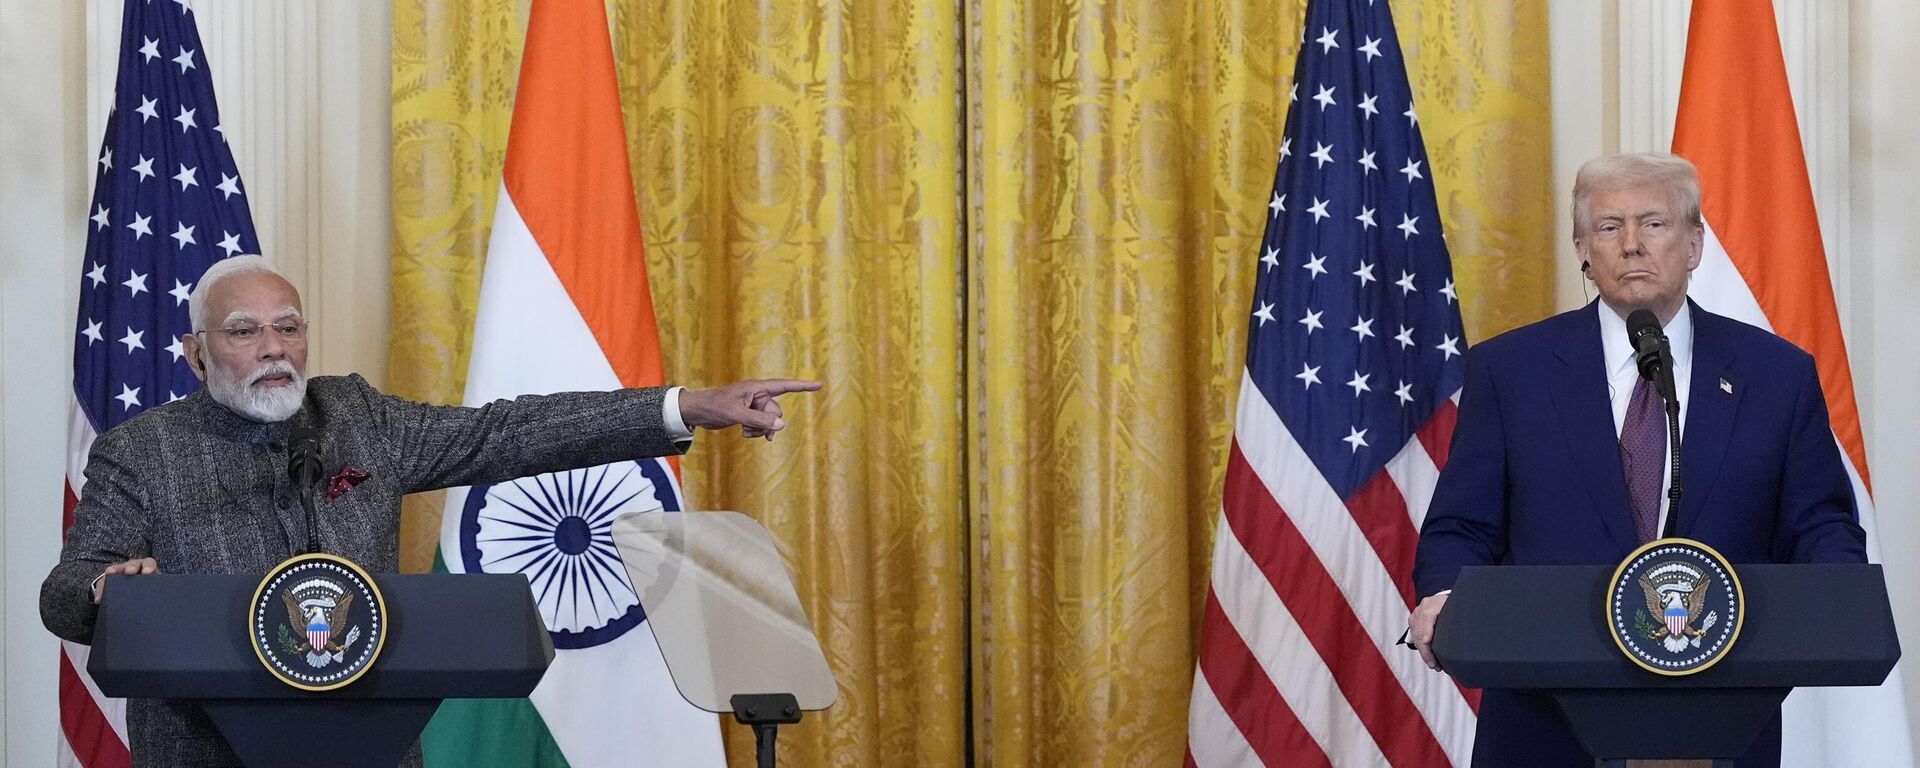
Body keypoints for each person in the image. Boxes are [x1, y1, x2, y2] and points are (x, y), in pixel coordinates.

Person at [40, 255, 820, 767]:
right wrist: (107, 590)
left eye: (288, 326)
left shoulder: (356, 418)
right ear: (197, 352)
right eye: (244, 332)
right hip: (206, 752)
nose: (273, 347)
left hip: (369, 746)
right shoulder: (143, 450)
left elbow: (509, 431)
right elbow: (65, 588)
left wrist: (685, 406)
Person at [1406, 153, 1865, 767]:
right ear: (1581, 250)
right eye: (1607, 226)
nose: (1630, 245)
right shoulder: (1510, 371)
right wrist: (1445, 596)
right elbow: (1462, 525)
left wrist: (1833, 603)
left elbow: (1820, 524)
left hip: (1721, 715)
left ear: (1695, 244)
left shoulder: (1776, 374)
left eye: (1653, 224)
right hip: (1546, 721)